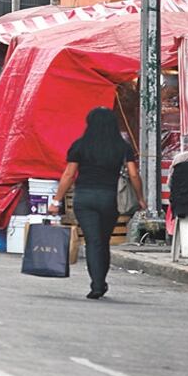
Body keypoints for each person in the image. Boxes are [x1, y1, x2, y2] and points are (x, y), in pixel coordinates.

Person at [50, 107, 145, 300]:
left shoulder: (80, 145)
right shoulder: (122, 147)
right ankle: (100, 281)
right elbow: (133, 174)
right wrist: (140, 197)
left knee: (92, 242)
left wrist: (57, 200)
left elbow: (69, 174)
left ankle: (97, 284)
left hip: (84, 198)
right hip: (109, 199)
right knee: (103, 241)